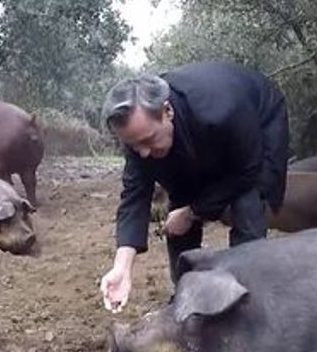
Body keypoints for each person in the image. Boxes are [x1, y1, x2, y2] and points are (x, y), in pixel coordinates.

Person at [98, 60, 289, 312]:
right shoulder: (140, 136)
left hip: (258, 122)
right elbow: (134, 195)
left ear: (167, 111)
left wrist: (192, 212)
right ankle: (186, 293)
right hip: (199, 133)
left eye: (148, 141)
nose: (143, 153)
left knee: (248, 202)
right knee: (180, 196)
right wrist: (122, 267)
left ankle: (246, 296)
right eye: (134, 147)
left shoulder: (223, 109)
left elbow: (245, 172)